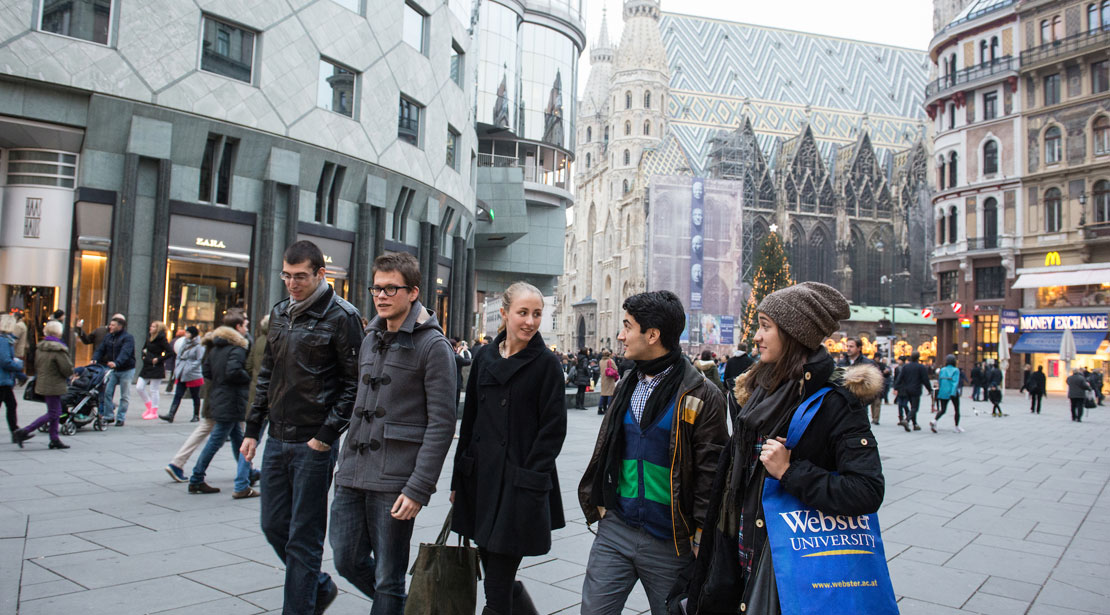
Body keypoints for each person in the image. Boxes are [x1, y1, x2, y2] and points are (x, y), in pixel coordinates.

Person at [675, 282, 884, 613]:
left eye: (765, 327)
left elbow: (867, 490)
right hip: (739, 552)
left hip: (790, 564)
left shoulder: (835, 402)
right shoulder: (756, 390)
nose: (756, 336)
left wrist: (790, 471)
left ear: (793, 333)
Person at [578, 290, 728, 615]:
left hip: (670, 541)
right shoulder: (626, 384)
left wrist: (702, 536)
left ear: (653, 335)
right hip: (616, 528)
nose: (621, 335)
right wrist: (603, 507)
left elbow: (710, 475)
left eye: (627, 326)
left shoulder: (703, 395)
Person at [241, 240, 363, 615]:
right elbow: (267, 374)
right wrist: (252, 428)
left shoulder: (342, 316)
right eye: (286, 276)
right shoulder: (280, 313)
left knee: (304, 538)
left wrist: (326, 436)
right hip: (277, 438)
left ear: (320, 274)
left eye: (300, 277)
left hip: (314, 443)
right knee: (274, 525)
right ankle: (320, 586)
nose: (292, 284)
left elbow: (354, 382)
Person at [329, 252, 455, 615]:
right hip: (352, 473)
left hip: (395, 480)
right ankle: (402, 607)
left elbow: (442, 423)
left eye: (390, 289)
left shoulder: (434, 347)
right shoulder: (370, 337)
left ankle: (392, 603)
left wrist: (418, 488)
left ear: (412, 292)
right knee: (346, 559)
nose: (381, 296)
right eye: (376, 288)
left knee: (388, 576)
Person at [451, 281, 567, 615]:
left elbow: (553, 430)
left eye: (537, 314)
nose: (530, 321)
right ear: (504, 314)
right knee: (495, 574)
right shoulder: (486, 357)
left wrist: (530, 478)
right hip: (481, 482)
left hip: (518, 485)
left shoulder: (546, 364)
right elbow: (470, 419)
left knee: (497, 589)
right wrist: (459, 480)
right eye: (523, 313)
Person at [188, 311, 258, 498]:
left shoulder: (215, 347)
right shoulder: (237, 348)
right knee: (217, 440)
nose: (246, 328)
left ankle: (247, 475)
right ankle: (197, 478)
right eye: (245, 325)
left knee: (239, 440)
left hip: (220, 396)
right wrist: (248, 378)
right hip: (232, 399)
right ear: (237, 327)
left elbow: (207, 371)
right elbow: (234, 371)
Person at [13, 320, 73, 449]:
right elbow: (67, 369)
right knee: (54, 413)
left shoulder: (41, 347)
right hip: (55, 384)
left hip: (43, 382)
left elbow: (36, 365)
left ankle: (54, 439)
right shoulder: (59, 349)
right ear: (59, 332)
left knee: (55, 411)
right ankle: (24, 431)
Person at [92, 314, 136, 426]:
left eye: (112, 325)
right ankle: (109, 416)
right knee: (107, 392)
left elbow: (125, 353)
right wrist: (94, 359)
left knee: (124, 394)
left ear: (120, 326)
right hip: (113, 369)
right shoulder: (108, 337)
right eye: (110, 324)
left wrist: (117, 363)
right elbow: (100, 349)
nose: (110, 327)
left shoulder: (128, 338)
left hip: (126, 369)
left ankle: (121, 417)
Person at [163, 326, 204, 423]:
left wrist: (190, 368)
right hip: (182, 372)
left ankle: (196, 415)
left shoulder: (198, 346)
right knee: (178, 394)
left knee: (195, 395)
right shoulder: (184, 343)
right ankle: (171, 414)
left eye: (188, 333)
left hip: (193, 374)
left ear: (192, 334)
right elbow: (178, 355)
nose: (186, 334)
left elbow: (200, 359)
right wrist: (178, 366)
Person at [839, 338, 882, 425]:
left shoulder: (868, 363)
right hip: (842, 405)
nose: (848, 348)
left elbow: (876, 386)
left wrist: (863, 402)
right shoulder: (841, 363)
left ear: (859, 348)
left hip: (860, 406)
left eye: (851, 346)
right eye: (847, 346)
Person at [0, 314, 29, 441]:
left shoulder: (6, 340)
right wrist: (19, 365)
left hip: (5, 380)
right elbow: (5, 361)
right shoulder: (3, 341)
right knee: (11, 405)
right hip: (2, 380)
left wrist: (20, 374)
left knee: (12, 405)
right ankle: (15, 432)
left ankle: (16, 432)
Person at [137, 321, 173, 420]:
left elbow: (170, 352)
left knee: (154, 389)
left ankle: (154, 411)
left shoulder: (161, 339)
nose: (150, 328)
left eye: (153, 327)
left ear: (158, 329)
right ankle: (149, 406)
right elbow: (144, 349)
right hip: (147, 365)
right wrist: (144, 356)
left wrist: (159, 359)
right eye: (151, 326)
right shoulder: (149, 337)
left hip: (156, 366)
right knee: (139, 387)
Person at [893, 351, 932, 431]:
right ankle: (907, 420)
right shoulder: (921, 367)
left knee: (912, 407)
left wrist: (896, 387)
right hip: (916, 389)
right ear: (918, 357)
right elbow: (925, 380)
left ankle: (915, 424)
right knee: (914, 407)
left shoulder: (906, 367)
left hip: (907, 389)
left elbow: (900, 378)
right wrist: (929, 389)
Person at [932, 354, 964, 433]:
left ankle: (934, 421)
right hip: (952, 391)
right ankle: (956, 427)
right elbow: (955, 382)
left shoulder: (942, 370)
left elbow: (940, 381)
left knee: (943, 409)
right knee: (956, 409)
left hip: (943, 391)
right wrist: (953, 392)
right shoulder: (956, 370)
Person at [452, 338, 472, 416]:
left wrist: (459, 351)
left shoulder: (448, 354)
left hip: (448, 382)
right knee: (455, 403)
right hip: (456, 382)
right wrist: (465, 351)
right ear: (454, 347)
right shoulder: (456, 357)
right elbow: (468, 361)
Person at [598, 349, 618, 416]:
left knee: (603, 394)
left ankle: (600, 408)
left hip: (603, 379)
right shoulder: (610, 361)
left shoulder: (601, 361)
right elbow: (615, 369)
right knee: (610, 394)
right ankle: (609, 408)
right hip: (609, 379)